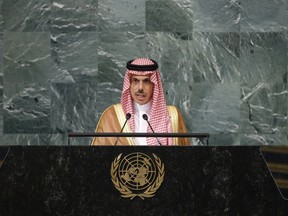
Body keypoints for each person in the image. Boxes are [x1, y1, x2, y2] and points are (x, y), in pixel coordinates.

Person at [91, 58, 189, 146]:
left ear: (154, 85)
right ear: (129, 83)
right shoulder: (112, 116)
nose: (140, 88)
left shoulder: (172, 116)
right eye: (136, 81)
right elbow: (97, 158)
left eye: (146, 81)